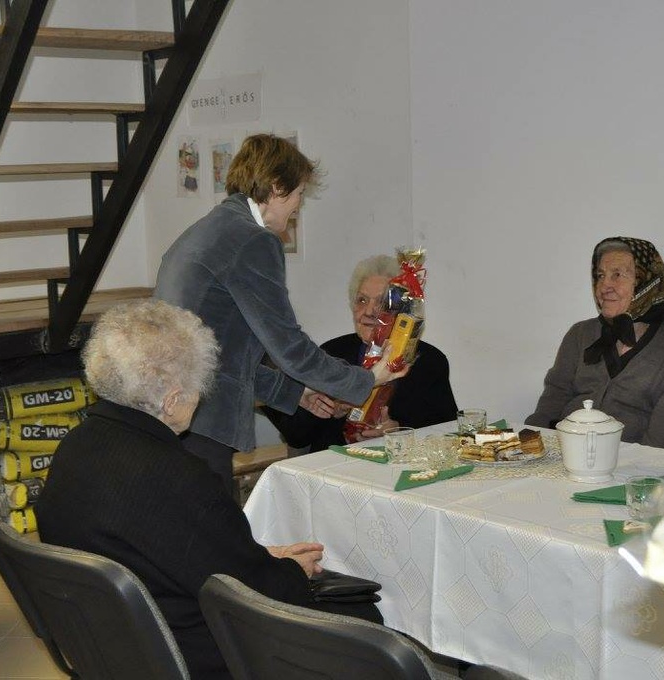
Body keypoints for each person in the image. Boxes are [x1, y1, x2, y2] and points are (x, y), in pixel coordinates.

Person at [37, 300, 382, 680]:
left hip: (111, 645)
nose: (200, 397)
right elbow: (254, 591)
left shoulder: (75, 447)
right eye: (198, 388)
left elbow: (180, 550)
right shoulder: (179, 476)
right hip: (189, 654)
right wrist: (291, 571)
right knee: (363, 615)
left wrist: (258, 555)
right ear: (171, 401)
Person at [154, 134, 406, 490]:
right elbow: (289, 348)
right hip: (202, 418)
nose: (298, 206)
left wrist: (296, 394)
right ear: (276, 187)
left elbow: (222, 356)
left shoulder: (206, 231)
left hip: (169, 412)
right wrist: (367, 380)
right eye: (299, 193)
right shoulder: (253, 240)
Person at [264, 254, 458, 453]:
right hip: (334, 464)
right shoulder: (330, 353)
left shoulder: (429, 361)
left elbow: (447, 431)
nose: (369, 311)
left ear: (402, 310)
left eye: (382, 302)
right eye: (362, 300)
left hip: (398, 465)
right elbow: (296, 436)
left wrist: (399, 431)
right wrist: (329, 410)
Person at [526, 237, 664, 449]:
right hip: (564, 453)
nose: (604, 286)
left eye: (617, 275)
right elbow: (550, 406)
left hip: (631, 464)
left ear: (646, 282)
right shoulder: (580, 334)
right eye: (600, 275)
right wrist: (527, 449)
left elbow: (660, 445)